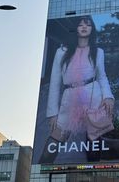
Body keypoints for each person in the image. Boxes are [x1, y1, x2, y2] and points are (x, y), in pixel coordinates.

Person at [40, 16, 114, 163]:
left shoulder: (98, 52)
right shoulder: (62, 51)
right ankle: (39, 173)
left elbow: (102, 77)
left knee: (94, 140)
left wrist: (108, 96)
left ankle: (93, 173)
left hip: (93, 97)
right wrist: (52, 113)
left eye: (87, 24)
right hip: (69, 99)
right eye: (80, 24)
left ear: (92, 28)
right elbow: (55, 83)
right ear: (76, 29)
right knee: (55, 138)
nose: (84, 27)